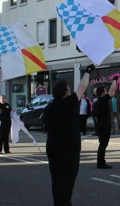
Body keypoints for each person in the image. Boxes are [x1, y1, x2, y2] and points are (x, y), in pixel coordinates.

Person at [44, 64, 95, 206]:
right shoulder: (67, 103)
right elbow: (82, 88)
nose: (70, 90)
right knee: (67, 180)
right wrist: (87, 72)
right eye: (68, 89)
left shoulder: (49, 106)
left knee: (56, 179)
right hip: (68, 148)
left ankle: (59, 203)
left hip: (53, 146)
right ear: (65, 92)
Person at [93, 77, 118, 169]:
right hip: (104, 126)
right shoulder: (103, 100)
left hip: (100, 125)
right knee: (103, 145)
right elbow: (112, 91)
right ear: (103, 93)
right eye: (105, 90)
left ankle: (101, 162)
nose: (107, 91)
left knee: (102, 144)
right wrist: (115, 80)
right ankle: (100, 163)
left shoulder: (96, 102)